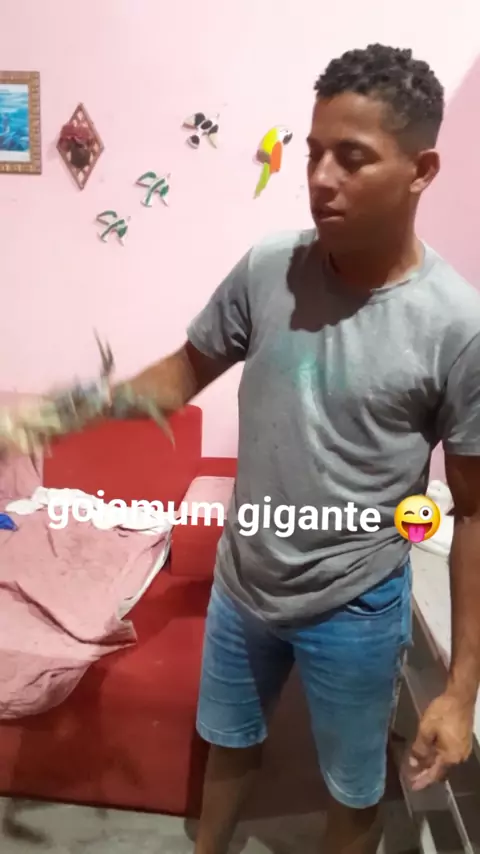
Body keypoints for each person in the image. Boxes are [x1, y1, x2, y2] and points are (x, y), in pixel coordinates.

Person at [17, 43, 480, 854]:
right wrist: (73, 409)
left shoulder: (456, 327)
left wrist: (460, 689)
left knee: (353, 790)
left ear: (422, 169)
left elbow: (471, 511)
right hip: (244, 583)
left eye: (352, 158)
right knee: (228, 745)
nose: (321, 178)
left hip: (357, 600)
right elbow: (184, 372)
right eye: (313, 152)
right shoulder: (270, 268)